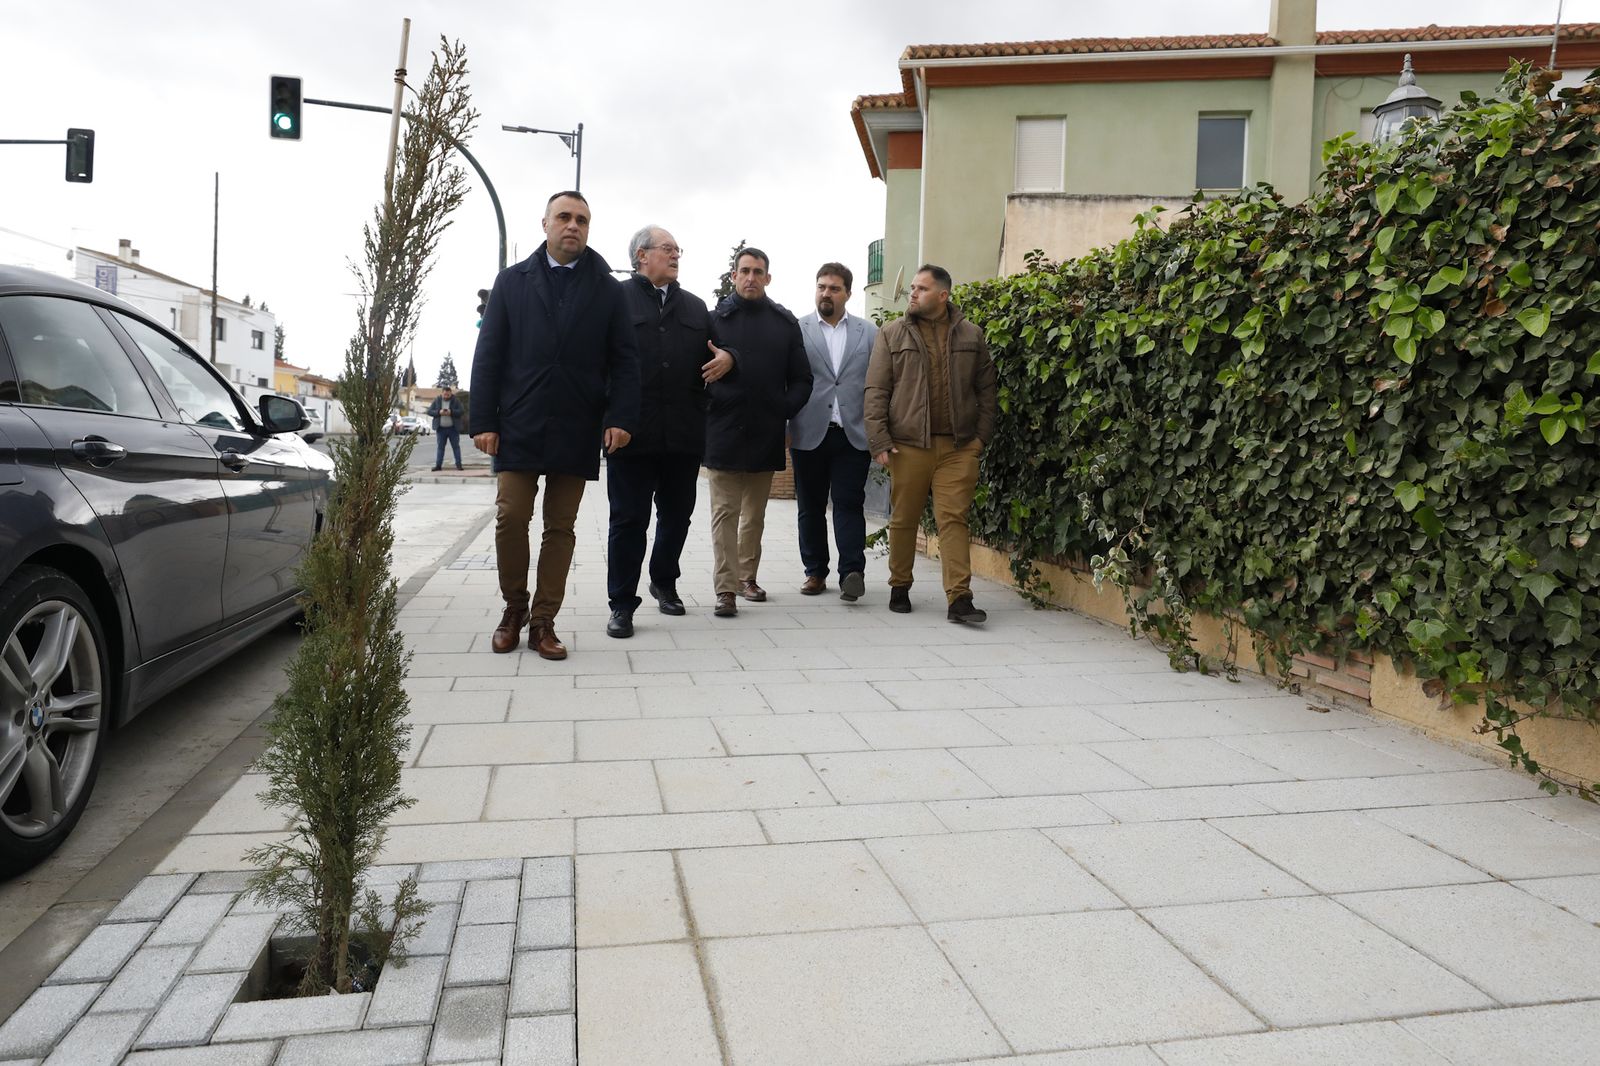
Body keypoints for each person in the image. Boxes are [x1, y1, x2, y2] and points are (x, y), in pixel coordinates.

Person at [469, 190, 640, 660]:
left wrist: (621, 417)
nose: (573, 226)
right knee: (510, 518)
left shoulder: (608, 289)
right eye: (564, 217)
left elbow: (624, 360)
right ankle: (513, 609)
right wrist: (483, 419)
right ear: (544, 224)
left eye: (582, 219)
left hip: (577, 424)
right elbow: (489, 356)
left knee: (560, 527)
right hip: (519, 422)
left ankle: (544, 621)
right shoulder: (511, 282)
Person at [604, 226, 732, 638]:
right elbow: (596, 363)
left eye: (678, 249)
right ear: (641, 256)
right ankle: (622, 604)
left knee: (676, 518)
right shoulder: (615, 300)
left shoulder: (696, 308)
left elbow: (726, 346)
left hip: (683, 434)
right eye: (667, 249)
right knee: (628, 521)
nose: (675, 255)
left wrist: (730, 357)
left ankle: (664, 582)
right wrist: (608, 420)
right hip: (630, 434)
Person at [863, 263, 997, 625]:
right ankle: (899, 585)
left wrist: (978, 439)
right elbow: (876, 390)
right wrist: (879, 439)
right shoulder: (891, 334)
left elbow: (987, 391)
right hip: (908, 445)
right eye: (913, 289)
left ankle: (959, 599)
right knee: (904, 519)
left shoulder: (972, 334)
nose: (913, 294)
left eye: (921, 289)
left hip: (958, 447)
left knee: (953, 519)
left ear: (943, 295)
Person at [703, 248, 813, 617]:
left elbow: (802, 380)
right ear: (733, 275)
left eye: (758, 272)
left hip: (765, 433)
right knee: (724, 514)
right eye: (744, 271)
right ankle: (725, 589)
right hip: (723, 431)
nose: (751, 277)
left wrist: (782, 410)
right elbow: (694, 374)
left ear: (768, 278)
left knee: (754, 515)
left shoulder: (784, 323)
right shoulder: (713, 320)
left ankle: (746, 578)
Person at [790, 263, 877, 602]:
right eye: (822, 286)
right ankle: (815, 572)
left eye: (834, 288)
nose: (826, 293)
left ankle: (852, 573)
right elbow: (787, 379)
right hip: (808, 431)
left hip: (852, 433)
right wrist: (785, 426)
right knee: (810, 507)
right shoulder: (797, 330)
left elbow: (878, 383)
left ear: (848, 294)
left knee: (849, 504)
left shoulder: (867, 333)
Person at [427, 385, 464, 470]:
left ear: (451, 393)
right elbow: (429, 411)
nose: (446, 396)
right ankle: (438, 465)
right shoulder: (437, 400)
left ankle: (459, 465)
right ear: (442, 393)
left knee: (456, 447)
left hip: (453, 428)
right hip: (441, 428)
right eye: (445, 394)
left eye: (448, 395)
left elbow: (461, 411)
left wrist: (452, 412)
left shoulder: (456, 401)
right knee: (440, 448)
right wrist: (438, 412)